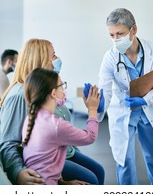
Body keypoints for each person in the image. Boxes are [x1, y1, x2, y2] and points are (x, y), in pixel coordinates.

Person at [84, 8, 153, 185]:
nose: (116, 39)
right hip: (124, 113)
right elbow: (105, 90)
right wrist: (99, 105)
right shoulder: (110, 58)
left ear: (134, 29)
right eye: (112, 35)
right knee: (125, 161)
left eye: (120, 33)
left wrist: (146, 99)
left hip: (149, 111)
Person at [0, 38, 104, 185]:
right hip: (44, 160)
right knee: (91, 180)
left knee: (99, 171)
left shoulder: (44, 90)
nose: (58, 60)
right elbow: (8, 143)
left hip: (61, 152)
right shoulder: (18, 95)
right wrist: (18, 172)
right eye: (53, 56)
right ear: (40, 60)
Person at [22, 68, 100, 185]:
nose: (64, 89)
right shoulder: (56, 125)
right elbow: (90, 136)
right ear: (54, 93)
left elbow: (46, 162)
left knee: (98, 172)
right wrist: (92, 109)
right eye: (62, 86)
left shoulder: (31, 117)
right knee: (93, 181)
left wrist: (63, 182)